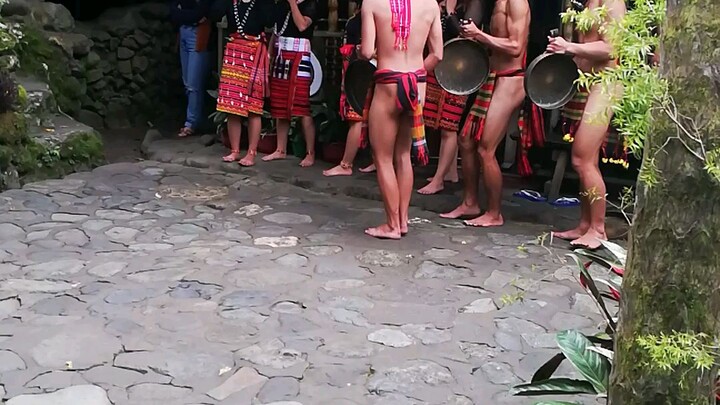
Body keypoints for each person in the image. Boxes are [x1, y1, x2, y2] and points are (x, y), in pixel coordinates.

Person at [440, 0, 532, 227]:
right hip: (493, 76)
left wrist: (480, 35)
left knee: (486, 149)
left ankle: (494, 213)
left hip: (511, 80)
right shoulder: (496, 3)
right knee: (466, 140)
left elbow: (515, 47)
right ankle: (470, 202)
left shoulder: (517, 2)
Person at [360, 0, 443, 239]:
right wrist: (414, 71)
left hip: (388, 82)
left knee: (383, 158)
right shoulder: (430, 5)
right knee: (403, 154)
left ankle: (392, 225)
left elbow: (366, 52)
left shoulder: (372, 3)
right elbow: (437, 54)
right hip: (417, 84)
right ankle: (403, 221)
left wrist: (358, 51)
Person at [549, 0, 626, 249]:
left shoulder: (612, 1)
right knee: (583, 160)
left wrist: (570, 46)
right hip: (588, 82)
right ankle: (585, 224)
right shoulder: (589, 1)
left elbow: (611, 47)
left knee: (582, 158)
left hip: (607, 83)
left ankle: (598, 229)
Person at [416, 0, 467, 195]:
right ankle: (450, 172)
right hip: (440, 68)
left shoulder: (469, 7)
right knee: (440, 122)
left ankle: (438, 180)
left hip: (459, 69)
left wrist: (450, 12)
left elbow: (466, 33)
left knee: (449, 124)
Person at [213, 0, 272, 166]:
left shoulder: (259, 3)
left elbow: (269, 20)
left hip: (255, 53)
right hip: (234, 53)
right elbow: (214, 13)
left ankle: (252, 152)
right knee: (231, 107)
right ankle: (235, 150)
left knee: (253, 108)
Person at [323, 2, 377, 176]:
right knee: (369, 117)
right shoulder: (361, 17)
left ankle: (346, 165)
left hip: (364, 71)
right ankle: (377, 160)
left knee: (357, 118)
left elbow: (371, 51)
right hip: (356, 69)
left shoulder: (372, 15)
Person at [263, 0, 319, 167]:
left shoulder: (310, 5)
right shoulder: (280, 6)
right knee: (280, 106)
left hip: (299, 57)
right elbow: (276, 33)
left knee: (302, 106)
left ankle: (310, 153)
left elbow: (302, 25)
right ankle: (280, 149)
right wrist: (269, 55)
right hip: (281, 57)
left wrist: (293, 4)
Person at [169, 0, 214, 138]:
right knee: (187, 81)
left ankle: (191, 123)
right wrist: (190, 17)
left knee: (193, 83)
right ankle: (194, 119)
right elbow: (172, 11)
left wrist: (183, 14)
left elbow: (203, 12)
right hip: (184, 32)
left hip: (199, 34)